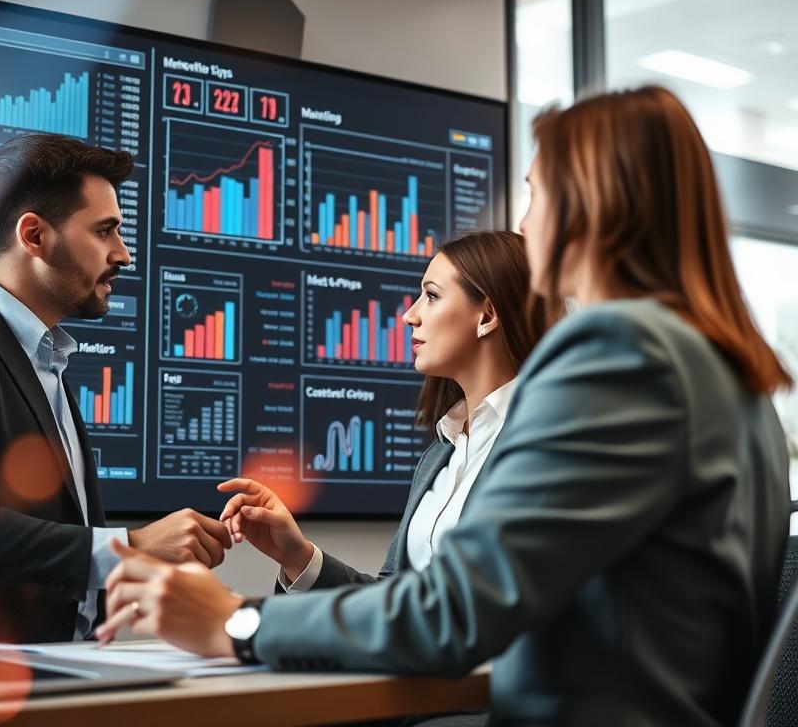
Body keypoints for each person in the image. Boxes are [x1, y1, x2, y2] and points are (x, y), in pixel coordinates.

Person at [96, 86, 793, 727]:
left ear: (587, 201)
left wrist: (237, 624)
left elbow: (457, 611)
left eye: (533, 191)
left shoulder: (619, 353)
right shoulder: (740, 382)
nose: (525, 219)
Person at [0, 133, 232, 645]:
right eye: (105, 231)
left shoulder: (43, 357)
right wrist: (130, 548)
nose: (124, 255)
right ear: (35, 237)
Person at [217, 231, 548, 596]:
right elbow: (396, 600)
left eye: (432, 296)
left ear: (486, 315)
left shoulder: (545, 441)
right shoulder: (441, 454)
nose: (410, 315)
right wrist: (298, 556)